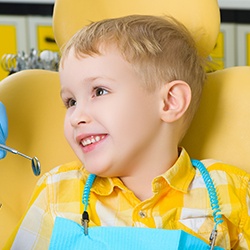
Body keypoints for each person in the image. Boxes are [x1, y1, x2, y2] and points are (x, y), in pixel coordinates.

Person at [5, 15, 250, 249]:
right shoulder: (56, 191)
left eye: (99, 91)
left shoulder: (228, 191)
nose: (76, 116)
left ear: (169, 102)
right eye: (71, 102)